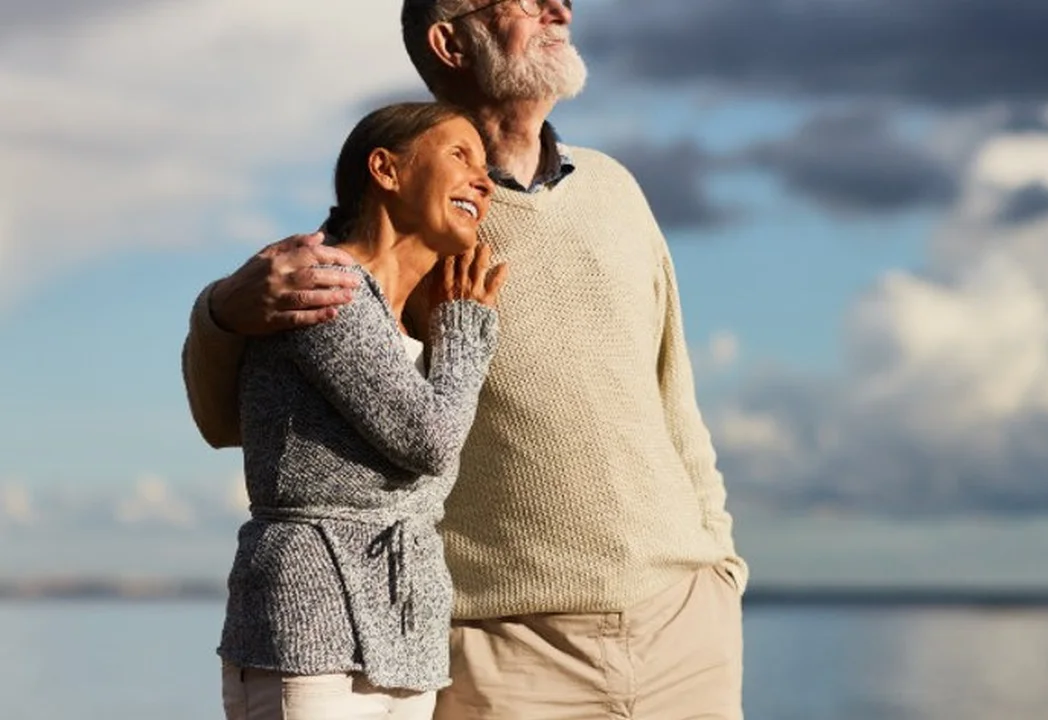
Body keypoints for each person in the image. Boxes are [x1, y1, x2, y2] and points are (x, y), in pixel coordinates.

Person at [183, 1, 749, 717]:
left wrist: (720, 569)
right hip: (501, 652)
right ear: (451, 41)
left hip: (684, 629)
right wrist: (221, 311)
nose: (559, 7)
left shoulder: (616, 189)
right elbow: (231, 419)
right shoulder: (408, 222)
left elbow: (674, 395)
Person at [216, 101, 507, 720]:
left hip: (408, 630)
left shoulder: (408, 319)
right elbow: (429, 439)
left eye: (486, 166)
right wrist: (467, 328)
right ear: (386, 169)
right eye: (460, 155)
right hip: (311, 622)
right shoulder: (322, 283)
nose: (484, 180)